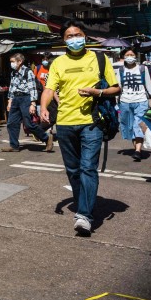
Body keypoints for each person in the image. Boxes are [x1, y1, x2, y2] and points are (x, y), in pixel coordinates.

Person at [39, 20, 119, 237]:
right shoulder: (58, 63)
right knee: (73, 170)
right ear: (64, 40)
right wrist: (43, 107)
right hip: (65, 123)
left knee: (88, 168)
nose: (75, 39)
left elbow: (115, 88)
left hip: (92, 122)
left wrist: (97, 93)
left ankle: (84, 215)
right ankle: (82, 200)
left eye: (78, 34)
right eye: (69, 36)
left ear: (85, 36)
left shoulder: (99, 58)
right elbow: (49, 89)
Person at [2, 53, 53, 153]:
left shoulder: (28, 71)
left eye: (13, 61)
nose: (11, 64)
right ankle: (14, 146)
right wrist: (9, 101)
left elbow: (32, 88)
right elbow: (12, 87)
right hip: (15, 99)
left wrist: (33, 103)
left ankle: (46, 138)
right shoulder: (13, 73)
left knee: (29, 124)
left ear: (20, 61)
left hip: (26, 98)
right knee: (11, 123)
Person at [117, 48, 151, 162]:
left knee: (138, 124)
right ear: (123, 57)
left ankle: (138, 151)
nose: (130, 56)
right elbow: (118, 87)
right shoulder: (120, 70)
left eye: (132, 54)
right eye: (127, 54)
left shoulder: (142, 68)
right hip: (125, 101)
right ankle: (136, 149)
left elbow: (149, 85)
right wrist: (116, 101)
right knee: (129, 126)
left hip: (141, 100)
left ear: (136, 56)